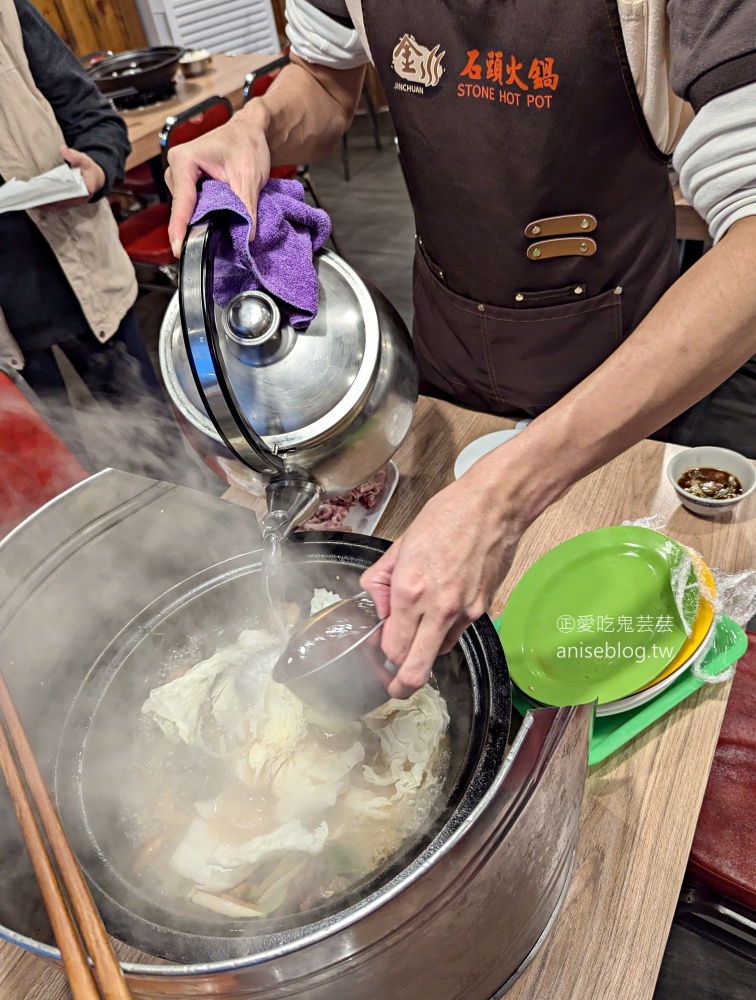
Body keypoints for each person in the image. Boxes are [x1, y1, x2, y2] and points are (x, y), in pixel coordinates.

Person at [165, 0, 756, 698]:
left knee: (603, 619)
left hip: (619, 366)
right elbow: (324, 82)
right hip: (446, 339)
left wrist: (501, 499)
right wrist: (257, 123)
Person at [0, 0, 168, 474]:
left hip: (86, 291)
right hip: (8, 347)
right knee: (60, 488)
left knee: (159, 456)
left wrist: (96, 169)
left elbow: (98, 121)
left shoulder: (8, 15)